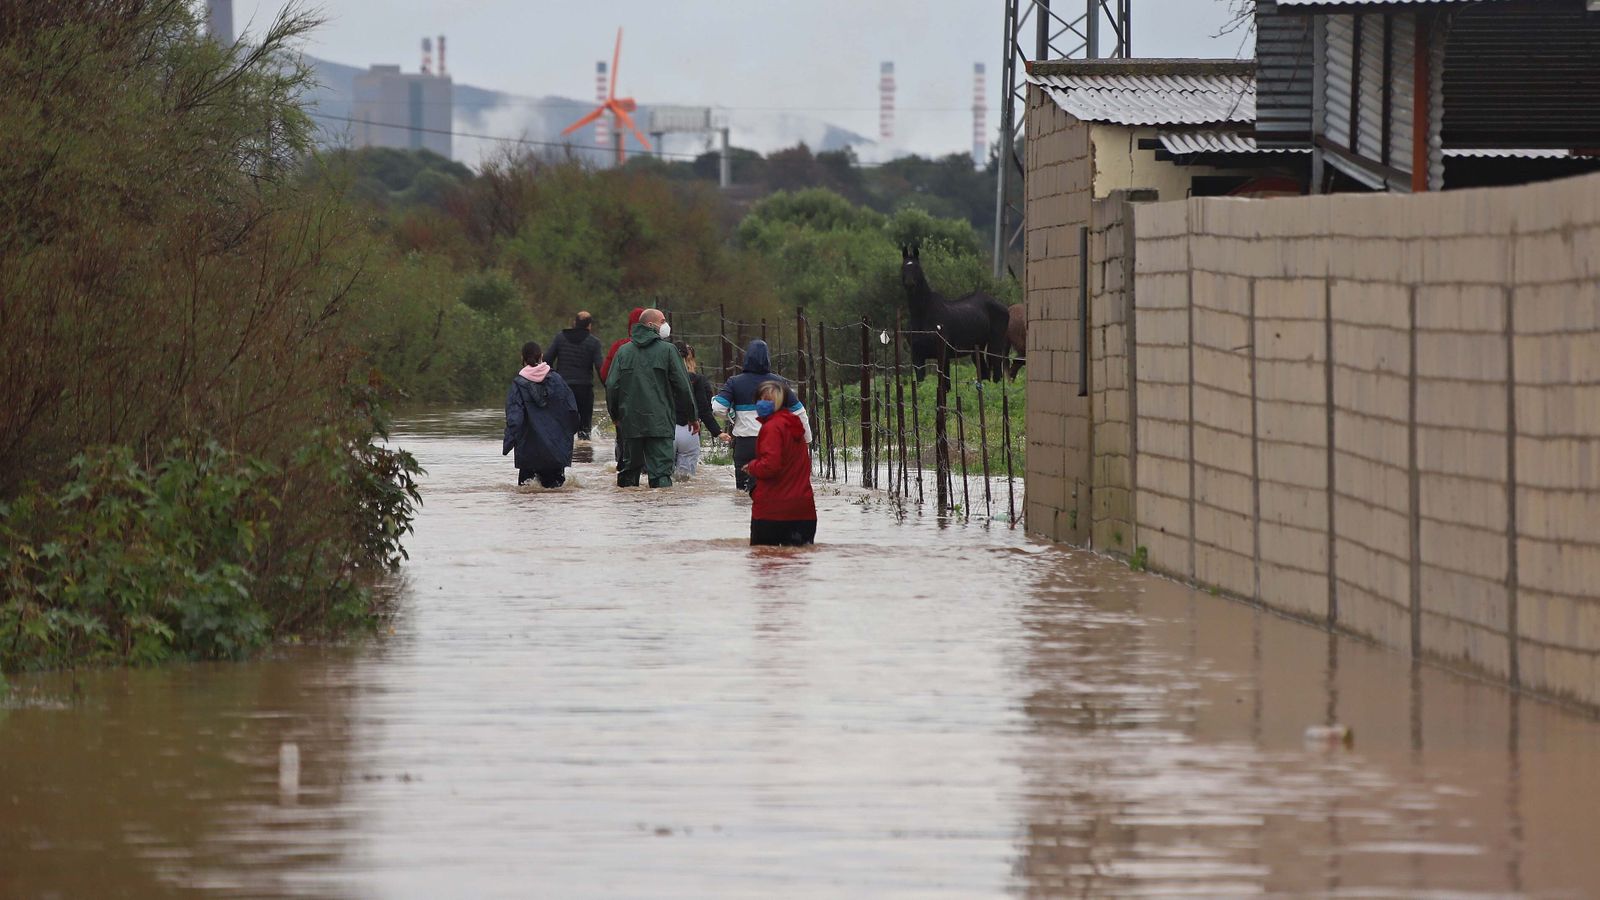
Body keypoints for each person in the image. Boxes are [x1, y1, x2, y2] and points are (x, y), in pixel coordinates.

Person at [605, 308, 693, 488]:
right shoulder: (668, 351)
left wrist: (615, 415)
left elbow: (612, 386)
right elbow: (684, 387)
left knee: (628, 473)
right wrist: (693, 416)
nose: (666, 324)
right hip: (660, 423)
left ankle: (631, 514)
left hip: (630, 422)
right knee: (661, 474)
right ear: (650, 325)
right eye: (662, 321)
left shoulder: (623, 352)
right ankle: (658, 515)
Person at [712, 339, 812, 492]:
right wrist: (806, 440)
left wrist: (732, 416)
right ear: (767, 359)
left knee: (744, 494)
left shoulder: (735, 382)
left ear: (747, 358)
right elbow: (799, 412)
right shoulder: (779, 383)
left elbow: (718, 408)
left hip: (745, 446)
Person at [744, 381, 817, 546]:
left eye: (769, 400)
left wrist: (752, 466)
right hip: (804, 512)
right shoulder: (796, 426)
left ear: (779, 402)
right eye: (761, 399)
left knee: (767, 563)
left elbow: (771, 466)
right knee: (797, 566)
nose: (762, 403)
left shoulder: (772, 428)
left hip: (772, 513)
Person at [502, 341, 579, 488]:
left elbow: (515, 419)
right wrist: (567, 436)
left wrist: (507, 445)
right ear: (541, 356)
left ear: (522, 358)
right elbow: (572, 412)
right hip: (555, 453)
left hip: (528, 455)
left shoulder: (518, 384)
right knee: (555, 497)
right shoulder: (557, 380)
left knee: (527, 497)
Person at [545, 311, 604, 441]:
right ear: (589, 326)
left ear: (574, 323)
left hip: (563, 388)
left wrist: (551, 378)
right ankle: (584, 457)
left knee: (562, 426)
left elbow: (547, 359)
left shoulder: (560, 338)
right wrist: (608, 386)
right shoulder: (594, 342)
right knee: (584, 430)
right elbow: (600, 367)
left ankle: (564, 459)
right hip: (585, 389)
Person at [672, 340, 723, 477]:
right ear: (692, 359)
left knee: (662, 477)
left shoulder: (663, 377)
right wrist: (717, 431)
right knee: (685, 479)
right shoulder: (698, 380)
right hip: (689, 430)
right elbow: (704, 408)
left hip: (665, 429)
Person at [599, 306, 645, 384]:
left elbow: (605, 374)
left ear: (630, 325)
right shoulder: (659, 347)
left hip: (624, 393)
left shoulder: (618, 346)